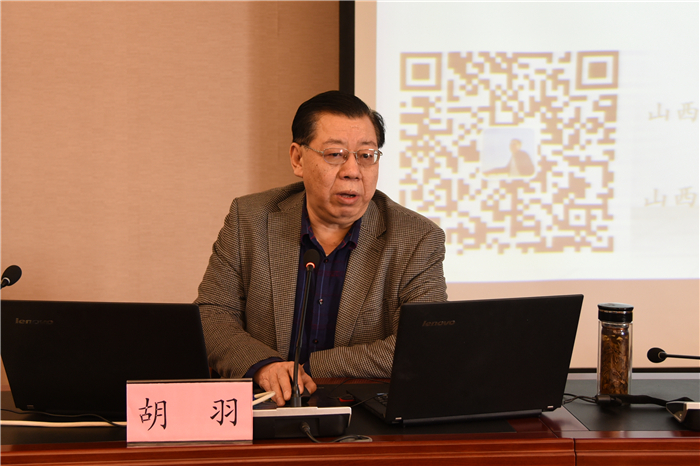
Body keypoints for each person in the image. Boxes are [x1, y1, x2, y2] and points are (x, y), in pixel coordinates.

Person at [195, 91, 447, 406]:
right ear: (298, 159)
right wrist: (264, 365)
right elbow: (212, 315)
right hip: (265, 406)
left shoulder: (417, 238)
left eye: (366, 155)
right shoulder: (249, 219)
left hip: (362, 410)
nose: (353, 170)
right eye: (335, 154)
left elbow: (422, 344)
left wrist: (311, 366)